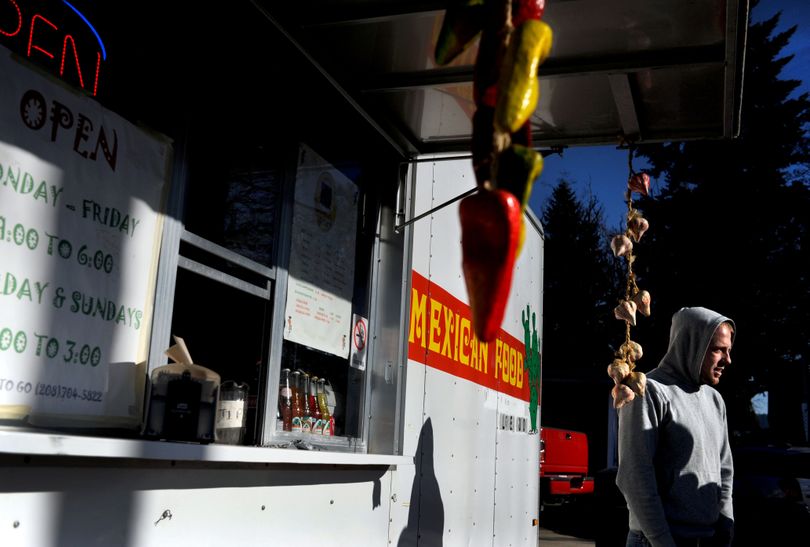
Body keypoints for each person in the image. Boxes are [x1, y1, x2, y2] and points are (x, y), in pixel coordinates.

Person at [616, 307, 735, 547]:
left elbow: (725, 473)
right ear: (691, 345)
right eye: (718, 350)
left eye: (729, 350)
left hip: (705, 539)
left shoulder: (715, 400)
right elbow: (635, 476)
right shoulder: (647, 390)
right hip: (654, 541)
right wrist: (662, 541)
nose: (728, 360)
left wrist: (726, 527)